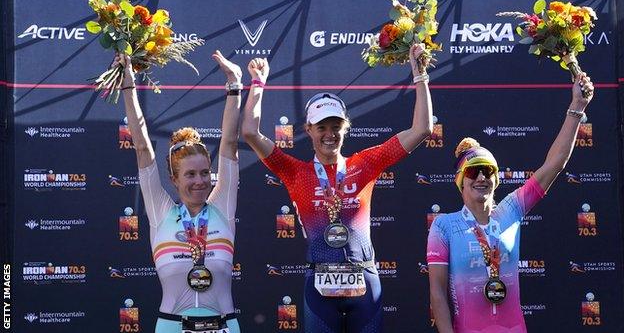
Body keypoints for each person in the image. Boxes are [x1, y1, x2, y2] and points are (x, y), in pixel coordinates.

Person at [242, 44, 433, 332]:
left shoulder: (365, 163)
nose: (329, 134)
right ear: (308, 129)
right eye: (322, 127)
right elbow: (249, 133)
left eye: (336, 126)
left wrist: (420, 74)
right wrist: (258, 83)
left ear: (346, 128)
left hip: (364, 279)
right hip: (319, 284)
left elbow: (422, 130)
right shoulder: (296, 172)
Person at [427, 74, 594, 333]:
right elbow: (437, 292)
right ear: (460, 181)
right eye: (473, 172)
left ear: (495, 179)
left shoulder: (511, 210)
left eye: (487, 171)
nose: (481, 177)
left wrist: (577, 109)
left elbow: (554, 165)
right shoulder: (444, 226)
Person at [116, 50, 243, 333]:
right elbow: (142, 147)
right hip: (173, 326)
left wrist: (234, 86)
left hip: (224, 325)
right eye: (190, 174)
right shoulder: (162, 213)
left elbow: (230, 144)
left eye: (203, 173)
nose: (199, 181)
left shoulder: (222, 206)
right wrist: (128, 84)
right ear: (173, 178)